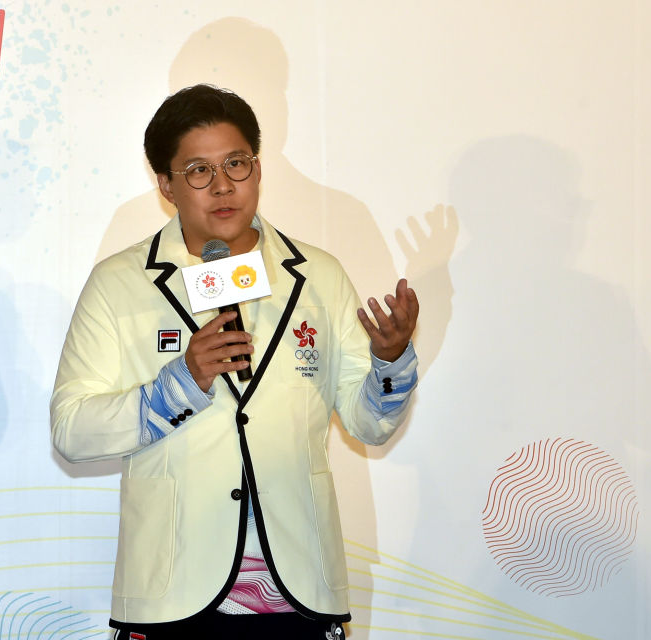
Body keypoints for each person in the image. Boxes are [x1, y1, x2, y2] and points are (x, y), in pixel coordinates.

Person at [50, 84, 419, 639]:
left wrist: (390, 362)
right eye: (198, 170)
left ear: (258, 168)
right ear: (166, 185)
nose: (222, 185)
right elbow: (72, 431)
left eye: (236, 164)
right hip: (173, 596)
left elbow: (369, 423)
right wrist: (181, 383)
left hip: (297, 593)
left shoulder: (318, 275)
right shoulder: (119, 283)